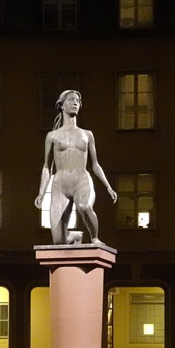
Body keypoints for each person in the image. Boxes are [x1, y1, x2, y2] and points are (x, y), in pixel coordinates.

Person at [35, 89, 117, 245]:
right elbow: (47, 167)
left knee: (84, 206)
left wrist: (108, 187)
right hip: (60, 183)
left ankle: (94, 237)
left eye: (77, 101)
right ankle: (73, 237)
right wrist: (41, 192)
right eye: (71, 100)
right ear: (61, 105)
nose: (75, 103)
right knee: (58, 241)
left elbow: (95, 164)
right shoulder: (52, 136)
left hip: (82, 179)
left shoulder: (87, 134)